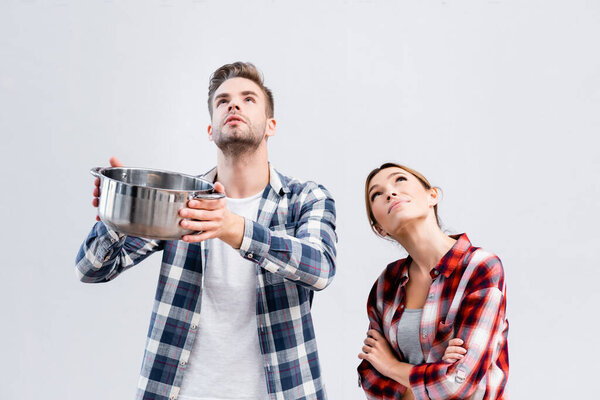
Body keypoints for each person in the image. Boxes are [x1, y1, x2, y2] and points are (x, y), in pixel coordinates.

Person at [76, 62, 337, 400]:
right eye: (223, 100)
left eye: (248, 99)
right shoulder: (179, 201)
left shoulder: (306, 197)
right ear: (210, 129)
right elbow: (92, 269)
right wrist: (117, 213)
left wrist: (233, 228)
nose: (234, 105)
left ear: (271, 125)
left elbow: (319, 269)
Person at [357, 163, 508, 400]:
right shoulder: (386, 283)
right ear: (380, 228)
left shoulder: (480, 268)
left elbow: (459, 382)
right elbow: (370, 381)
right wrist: (439, 371)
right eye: (377, 194)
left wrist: (391, 367)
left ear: (432, 196)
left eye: (400, 180)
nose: (390, 192)